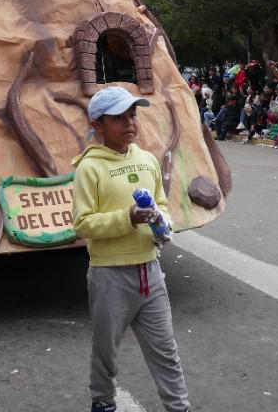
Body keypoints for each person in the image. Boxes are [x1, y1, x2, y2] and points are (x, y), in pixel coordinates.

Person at [72, 87, 188, 412]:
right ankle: (103, 403)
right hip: (109, 277)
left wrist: (161, 223)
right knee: (105, 352)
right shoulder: (89, 168)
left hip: (150, 274)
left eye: (132, 115)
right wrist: (128, 217)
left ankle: (179, 407)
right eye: (118, 117)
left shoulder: (147, 160)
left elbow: (162, 204)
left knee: (166, 352)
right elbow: (83, 223)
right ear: (98, 124)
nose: (129, 123)